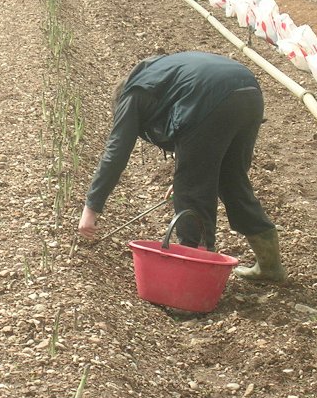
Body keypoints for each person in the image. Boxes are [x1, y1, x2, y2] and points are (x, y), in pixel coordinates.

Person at [77, 51, 286, 282]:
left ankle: (195, 280)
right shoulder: (160, 75)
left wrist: (91, 208)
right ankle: (270, 266)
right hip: (248, 90)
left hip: (209, 96)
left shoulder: (133, 94)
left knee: (191, 192)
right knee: (232, 181)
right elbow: (188, 122)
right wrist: (193, 167)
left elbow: (115, 153)